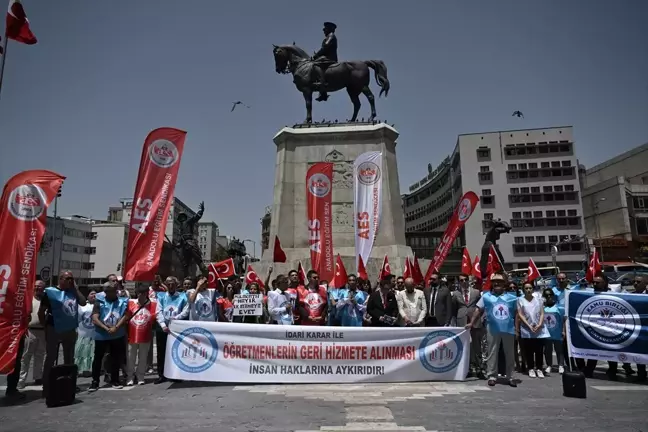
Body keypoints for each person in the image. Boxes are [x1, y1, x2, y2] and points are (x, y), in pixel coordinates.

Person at [39, 271, 87, 397]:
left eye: (72, 278)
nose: (70, 281)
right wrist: (46, 327)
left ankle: (69, 383)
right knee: (51, 357)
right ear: (60, 279)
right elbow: (41, 312)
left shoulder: (72, 292)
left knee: (69, 357)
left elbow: (83, 302)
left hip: (69, 329)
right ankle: (47, 385)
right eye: (68, 278)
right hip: (53, 328)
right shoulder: (50, 292)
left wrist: (75, 289)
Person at [466, 273, 518, 387]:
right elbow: (478, 310)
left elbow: (516, 314)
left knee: (510, 353)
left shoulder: (512, 297)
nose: (497, 284)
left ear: (504, 284)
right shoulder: (486, 296)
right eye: (495, 282)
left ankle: (510, 376)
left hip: (508, 328)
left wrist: (517, 328)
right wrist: (472, 322)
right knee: (492, 352)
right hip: (492, 328)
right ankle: (492, 376)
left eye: (499, 282)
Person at [89, 282, 130, 391]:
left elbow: (125, 316)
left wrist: (116, 327)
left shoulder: (122, 301)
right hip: (102, 335)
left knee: (116, 358)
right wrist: (106, 328)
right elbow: (95, 318)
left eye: (114, 290)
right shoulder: (99, 302)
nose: (112, 293)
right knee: (98, 358)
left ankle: (115, 380)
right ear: (105, 292)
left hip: (117, 334)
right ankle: (95, 381)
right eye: (109, 291)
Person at [154, 276, 188, 384]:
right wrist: (163, 325)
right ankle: (161, 375)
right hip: (163, 328)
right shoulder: (161, 296)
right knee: (161, 352)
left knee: (175, 351)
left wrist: (176, 319)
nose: (170, 286)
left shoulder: (183, 296)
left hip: (177, 328)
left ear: (176, 284)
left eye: (172, 283)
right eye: (168, 284)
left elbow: (185, 311)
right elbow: (158, 311)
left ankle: (175, 374)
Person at [452, 275, 484, 378]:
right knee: (465, 346)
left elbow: (481, 307)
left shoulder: (476, 292)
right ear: (459, 282)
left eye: (465, 280)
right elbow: (454, 309)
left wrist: (480, 319)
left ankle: (480, 369)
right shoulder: (456, 294)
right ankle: (468, 368)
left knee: (476, 346)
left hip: (475, 322)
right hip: (462, 322)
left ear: (468, 281)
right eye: (461, 280)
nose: (464, 282)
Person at [18, 280, 47, 389]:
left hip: (42, 331)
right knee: (26, 356)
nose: (37, 288)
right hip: (29, 331)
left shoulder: (45, 300)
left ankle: (38, 377)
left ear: (43, 288)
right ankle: (21, 380)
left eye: (39, 287)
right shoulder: (29, 299)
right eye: (35, 286)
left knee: (40, 356)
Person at [517, 282, 549, 378]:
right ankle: (530, 368)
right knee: (528, 350)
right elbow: (520, 314)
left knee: (539, 350)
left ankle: (539, 368)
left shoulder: (539, 300)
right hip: (527, 328)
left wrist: (539, 324)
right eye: (526, 288)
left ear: (533, 289)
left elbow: (542, 313)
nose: (528, 290)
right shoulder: (520, 300)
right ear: (523, 290)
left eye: (530, 288)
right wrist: (528, 325)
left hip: (538, 328)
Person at [126, 285, 156, 386]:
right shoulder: (130, 303)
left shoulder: (153, 305)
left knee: (143, 357)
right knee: (130, 357)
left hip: (146, 335)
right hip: (131, 335)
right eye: (139, 293)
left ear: (147, 294)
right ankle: (130, 377)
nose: (141, 295)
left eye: (143, 293)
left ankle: (140, 377)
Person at [312, 21, 338, 102]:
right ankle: (323, 92)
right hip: (326, 57)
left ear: (329, 29)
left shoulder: (331, 36)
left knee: (315, 64)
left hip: (330, 58)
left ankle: (322, 83)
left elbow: (325, 47)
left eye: (325, 29)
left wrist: (316, 55)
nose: (323, 30)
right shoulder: (329, 36)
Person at [542, 288, 565, 375]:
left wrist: (563, 331)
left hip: (557, 332)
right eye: (546, 295)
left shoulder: (559, 308)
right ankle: (549, 365)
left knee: (559, 349)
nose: (549, 297)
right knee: (547, 350)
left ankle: (561, 365)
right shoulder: (542, 308)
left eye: (550, 295)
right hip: (547, 333)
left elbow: (563, 320)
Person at [74, 289, 97, 377]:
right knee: (80, 352)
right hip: (82, 333)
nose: (93, 296)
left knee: (91, 354)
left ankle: (88, 370)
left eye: (95, 294)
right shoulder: (81, 306)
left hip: (94, 334)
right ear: (87, 296)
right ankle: (78, 370)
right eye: (91, 294)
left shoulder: (99, 306)